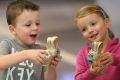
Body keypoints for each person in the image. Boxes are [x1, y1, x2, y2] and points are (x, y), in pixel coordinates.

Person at [0, 0, 61, 80]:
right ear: (13, 29)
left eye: (37, 23)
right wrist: (26, 54)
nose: (35, 28)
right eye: (28, 25)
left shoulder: (42, 50)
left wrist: (51, 66)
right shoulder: (8, 44)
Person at [75, 4, 120, 80]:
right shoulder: (83, 55)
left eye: (93, 24)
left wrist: (116, 59)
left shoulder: (118, 48)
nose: (90, 30)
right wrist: (90, 73)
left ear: (106, 22)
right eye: (84, 29)